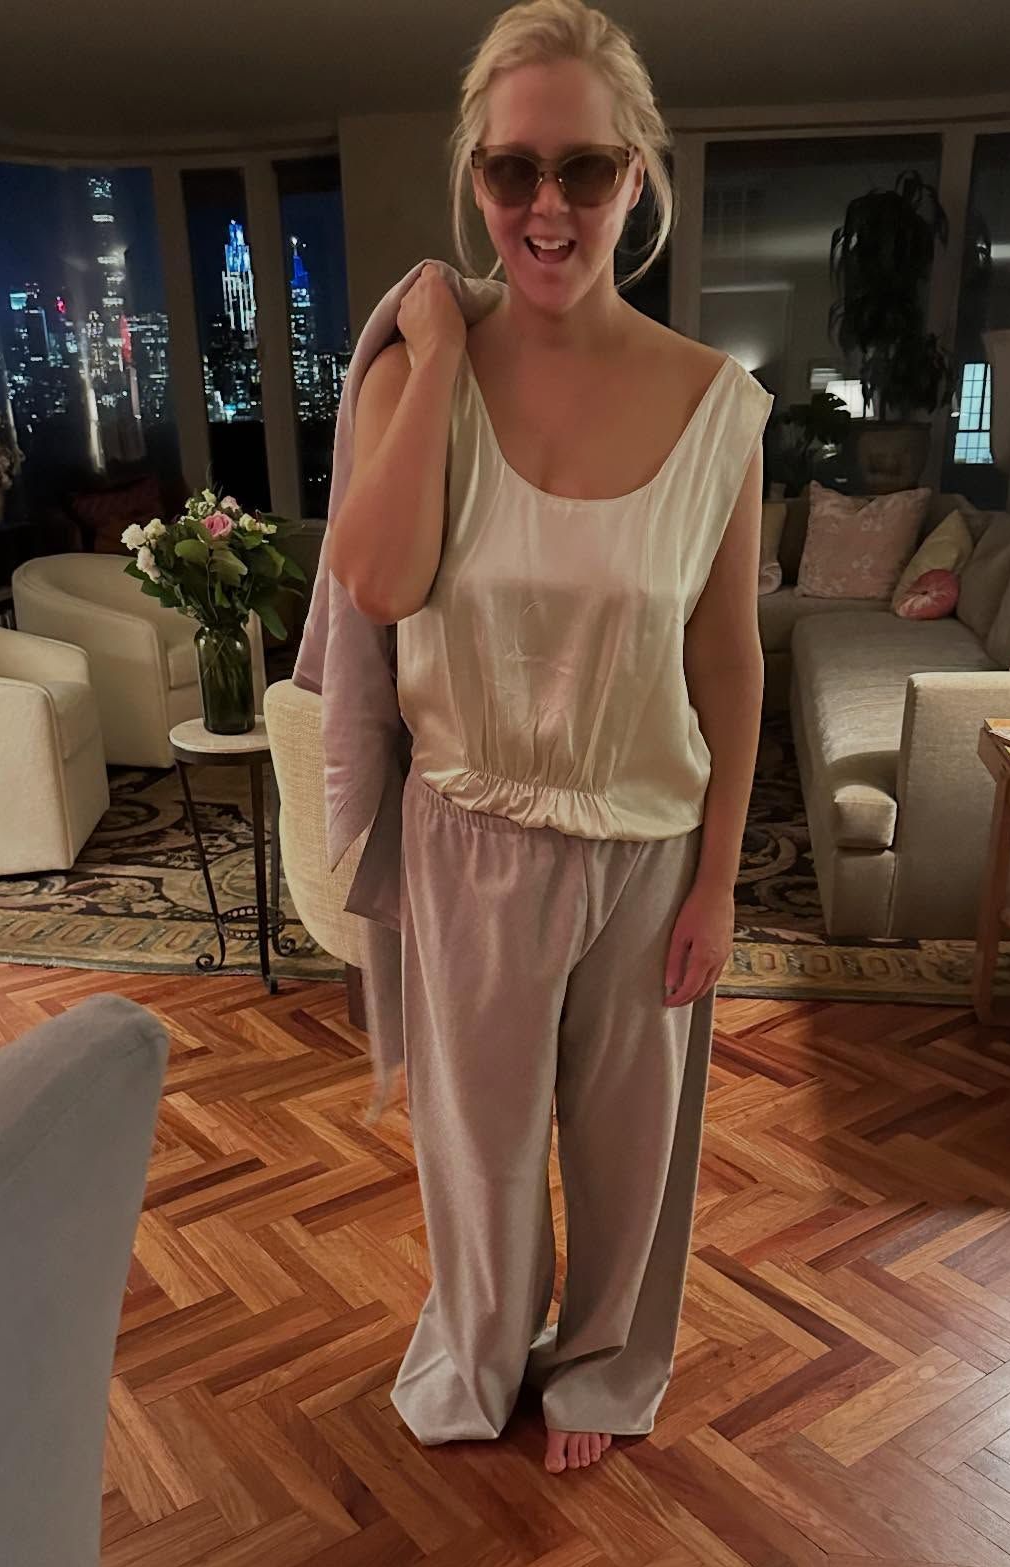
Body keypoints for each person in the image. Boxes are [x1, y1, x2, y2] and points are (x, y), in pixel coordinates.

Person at [324, 0, 770, 1475]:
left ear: (638, 175)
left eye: (584, 167)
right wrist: (439, 354)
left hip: (649, 846)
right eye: (513, 170)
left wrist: (719, 883)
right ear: (477, 179)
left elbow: (728, 659)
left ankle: (601, 1363)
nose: (548, 206)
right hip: (470, 837)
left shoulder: (719, 409)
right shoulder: (417, 371)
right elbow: (377, 584)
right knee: (479, 1150)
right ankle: (482, 1346)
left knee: (631, 1148)